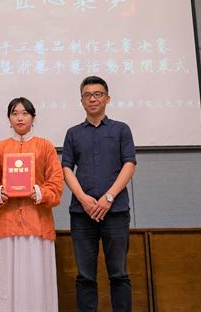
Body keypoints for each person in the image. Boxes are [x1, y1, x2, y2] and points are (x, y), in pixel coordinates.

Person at [62, 76, 137, 312]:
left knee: (119, 274)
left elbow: (129, 164)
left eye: (97, 94)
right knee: (85, 276)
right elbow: (66, 168)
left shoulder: (121, 129)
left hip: (115, 212)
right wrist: (83, 199)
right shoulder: (73, 133)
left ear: (107, 98)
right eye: (87, 95)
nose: (92, 99)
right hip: (82, 214)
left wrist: (108, 198)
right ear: (81, 101)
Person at [0, 97, 64, 312]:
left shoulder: (45, 146)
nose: (20, 117)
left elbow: (56, 184)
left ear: (33, 118)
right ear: (9, 119)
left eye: (25, 113)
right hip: (6, 225)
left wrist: (39, 192)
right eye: (15, 113)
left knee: (36, 281)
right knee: (5, 283)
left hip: (37, 224)